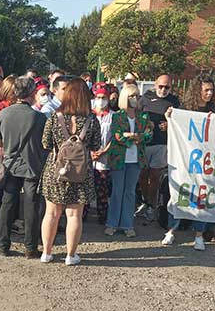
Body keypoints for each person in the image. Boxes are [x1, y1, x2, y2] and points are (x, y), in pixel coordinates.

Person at [40, 78, 101, 265]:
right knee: (74, 215)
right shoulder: (92, 120)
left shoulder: (54, 117)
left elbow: (45, 143)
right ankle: (70, 255)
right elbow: (95, 145)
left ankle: (47, 253)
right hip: (81, 172)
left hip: (56, 170)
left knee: (51, 213)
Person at [161, 76, 215, 249]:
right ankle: (172, 230)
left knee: (203, 197)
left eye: (212, 90)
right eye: (206, 90)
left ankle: (199, 235)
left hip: (207, 162)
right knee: (181, 194)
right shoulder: (185, 109)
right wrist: (170, 118)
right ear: (197, 91)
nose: (209, 93)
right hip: (186, 160)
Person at [0, 76, 47, 257]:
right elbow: (45, 143)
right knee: (31, 206)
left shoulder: (4, 114)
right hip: (33, 166)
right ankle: (31, 247)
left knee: (7, 204)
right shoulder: (39, 117)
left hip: (10, 165)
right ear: (32, 93)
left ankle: (3, 245)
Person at [105, 84, 153, 237]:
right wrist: (135, 137)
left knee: (130, 192)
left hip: (136, 160)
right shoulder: (117, 116)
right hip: (119, 159)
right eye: (132, 96)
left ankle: (127, 224)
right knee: (117, 192)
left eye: (137, 96)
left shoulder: (143, 116)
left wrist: (132, 136)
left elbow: (148, 135)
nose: (135, 99)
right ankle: (112, 223)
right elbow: (118, 136)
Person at [135, 74, 181, 223]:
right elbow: (136, 116)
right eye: (161, 86)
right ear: (155, 85)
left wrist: (170, 124)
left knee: (155, 175)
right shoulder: (145, 98)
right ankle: (144, 200)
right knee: (142, 174)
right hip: (144, 143)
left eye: (167, 87)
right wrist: (145, 125)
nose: (163, 89)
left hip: (162, 143)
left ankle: (151, 205)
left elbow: (180, 121)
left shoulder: (174, 101)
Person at [89, 82, 114, 224]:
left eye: (104, 97)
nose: (101, 100)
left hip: (104, 157)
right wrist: (91, 151)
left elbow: (114, 136)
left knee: (102, 188)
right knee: (86, 187)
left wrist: (104, 151)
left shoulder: (113, 116)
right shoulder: (88, 114)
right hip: (88, 157)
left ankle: (103, 215)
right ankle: (83, 214)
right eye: (98, 97)